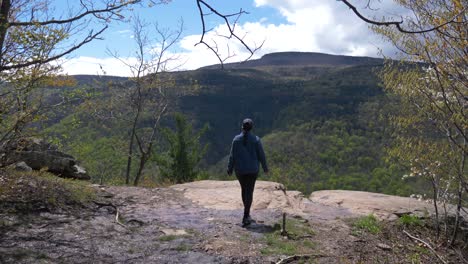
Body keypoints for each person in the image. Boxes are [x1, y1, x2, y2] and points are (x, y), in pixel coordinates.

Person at [227, 118, 268, 227]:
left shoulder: (236, 140)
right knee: (249, 191)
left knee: (244, 190)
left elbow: (232, 156)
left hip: (240, 170)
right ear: (251, 128)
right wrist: (265, 167)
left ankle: (247, 214)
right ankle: (246, 215)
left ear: (242, 127)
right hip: (252, 170)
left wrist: (230, 168)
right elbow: (261, 155)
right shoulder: (256, 140)